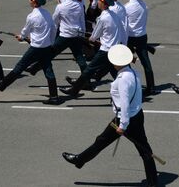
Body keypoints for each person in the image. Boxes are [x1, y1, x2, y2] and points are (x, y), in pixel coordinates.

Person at [61, 44, 159, 187]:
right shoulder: (132, 72)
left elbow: (124, 103)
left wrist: (123, 125)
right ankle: (80, 160)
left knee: (143, 150)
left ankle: (80, 160)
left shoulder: (123, 79)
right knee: (106, 141)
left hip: (126, 118)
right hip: (136, 115)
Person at [0, 0, 60, 105]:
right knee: (48, 70)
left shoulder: (32, 16)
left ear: (35, 3)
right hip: (45, 47)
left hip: (35, 48)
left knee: (20, 66)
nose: (29, 0)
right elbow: (53, 30)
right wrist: (50, 43)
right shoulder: (47, 14)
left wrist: (21, 37)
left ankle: (2, 84)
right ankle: (54, 96)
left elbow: (25, 31)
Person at [60, 0, 126, 96]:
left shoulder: (103, 17)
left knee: (88, 70)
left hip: (105, 51)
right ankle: (126, 89)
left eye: (99, 0)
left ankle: (74, 90)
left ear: (104, 4)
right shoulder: (114, 15)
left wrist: (88, 39)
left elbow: (94, 37)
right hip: (114, 49)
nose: (98, 2)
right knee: (115, 73)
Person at [26, 0, 88, 78]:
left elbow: (54, 22)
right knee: (80, 58)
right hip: (76, 35)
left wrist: (51, 36)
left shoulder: (60, 6)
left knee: (51, 54)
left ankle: (35, 68)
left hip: (64, 36)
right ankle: (86, 80)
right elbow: (82, 21)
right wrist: (83, 34)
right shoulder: (79, 5)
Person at [124, 0, 156, 97]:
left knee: (123, 60)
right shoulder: (143, 4)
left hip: (131, 38)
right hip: (142, 36)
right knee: (146, 63)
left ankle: (129, 84)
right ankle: (151, 87)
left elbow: (123, 22)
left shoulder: (127, 7)